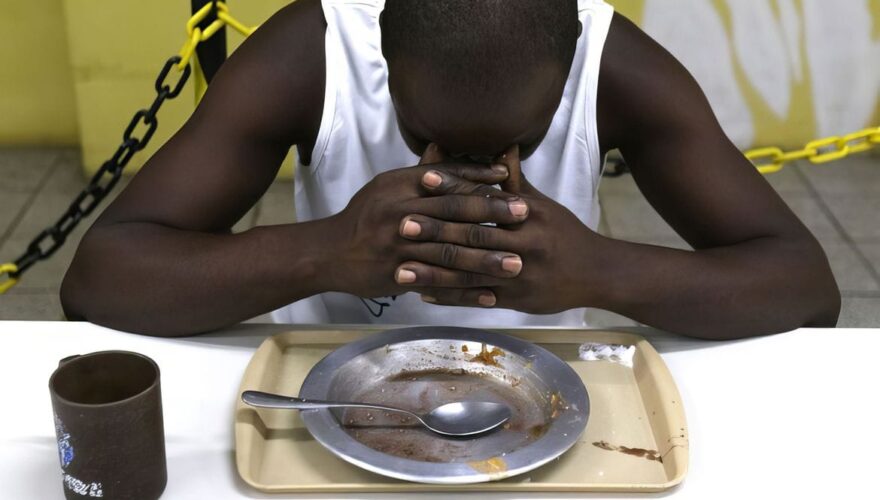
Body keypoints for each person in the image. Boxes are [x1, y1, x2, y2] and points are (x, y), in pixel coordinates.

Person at [60, 0, 840, 339]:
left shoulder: (616, 65)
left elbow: (805, 288)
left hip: (548, 395)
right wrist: (326, 253)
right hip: (325, 388)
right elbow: (99, 279)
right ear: (381, 57)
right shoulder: (312, 52)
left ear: (572, 70)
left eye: (517, 143)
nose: (470, 172)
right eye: (422, 134)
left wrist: (602, 271)